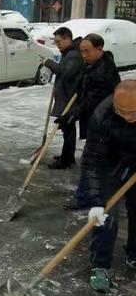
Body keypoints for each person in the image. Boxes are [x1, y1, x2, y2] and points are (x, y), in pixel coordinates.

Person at [82, 80, 136, 292]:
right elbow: (92, 160)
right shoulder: (101, 116)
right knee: (106, 215)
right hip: (109, 165)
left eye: (132, 112)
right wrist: (96, 201)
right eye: (120, 110)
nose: (126, 116)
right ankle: (100, 265)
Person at [63, 34, 121, 210]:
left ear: (100, 49)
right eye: (81, 51)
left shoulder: (102, 72)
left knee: (91, 158)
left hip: (103, 123)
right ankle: (96, 193)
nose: (83, 55)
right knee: (101, 159)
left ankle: (84, 196)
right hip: (99, 120)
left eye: (87, 51)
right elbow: (85, 93)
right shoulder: (95, 64)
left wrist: (73, 114)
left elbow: (92, 100)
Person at [41, 27, 84, 169]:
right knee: (68, 128)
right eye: (56, 42)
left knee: (68, 127)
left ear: (67, 39)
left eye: (59, 42)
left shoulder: (74, 55)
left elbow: (66, 72)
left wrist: (49, 63)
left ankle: (66, 160)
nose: (57, 45)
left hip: (70, 97)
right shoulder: (68, 52)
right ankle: (68, 155)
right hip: (66, 95)